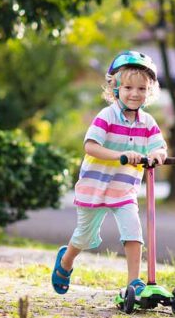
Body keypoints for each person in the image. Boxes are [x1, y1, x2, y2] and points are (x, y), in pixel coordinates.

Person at [51, 50, 168, 298]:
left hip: (124, 190)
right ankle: (66, 261)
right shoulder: (106, 116)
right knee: (83, 237)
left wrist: (157, 154)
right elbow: (90, 146)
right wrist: (121, 155)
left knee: (133, 231)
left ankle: (133, 283)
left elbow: (159, 145)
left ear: (149, 92)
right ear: (115, 88)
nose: (135, 94)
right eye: (128, 87)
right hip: (95, 187)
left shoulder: (147, 122)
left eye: (141, 89)